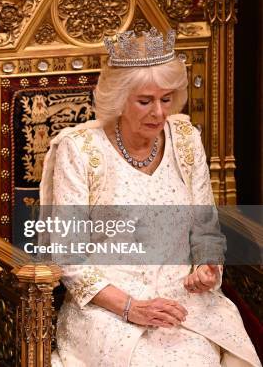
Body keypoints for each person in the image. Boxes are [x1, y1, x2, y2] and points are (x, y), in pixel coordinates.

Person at [39, 28, 261, 367]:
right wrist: (132, 308)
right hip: (108, 311)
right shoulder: (80, 150)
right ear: (118, 99)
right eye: (145, 101)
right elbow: (69, 259)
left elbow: (206, 230)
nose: (159, 113)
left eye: (167, 99)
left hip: (183, 304)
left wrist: (205, 267)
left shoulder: (185, 140)